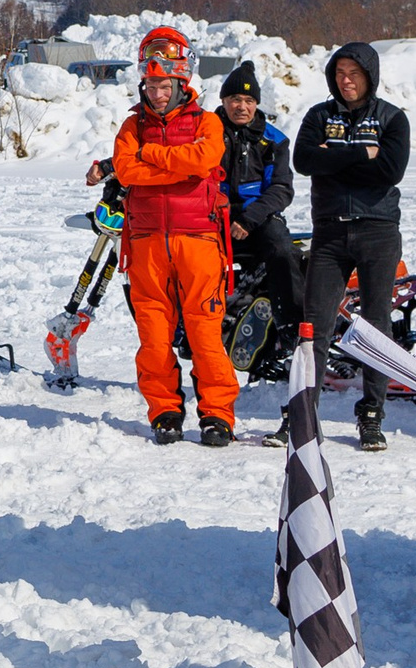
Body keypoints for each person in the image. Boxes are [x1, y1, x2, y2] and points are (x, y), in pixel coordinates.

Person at [99, 26, 234, 447]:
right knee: (153, 336)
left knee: (205, 334)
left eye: (166, 85)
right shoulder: (131, 126)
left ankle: (217, 415)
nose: (158, 93)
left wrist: (152, 156)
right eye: (152, 84)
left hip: (199, 241)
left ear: (182, 82)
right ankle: (165, 411)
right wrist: (173, 164)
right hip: (146, 242)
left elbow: (204, 159)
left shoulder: (207, 122)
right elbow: (125, 170)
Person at [297, 41, 408, 452]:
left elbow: (391, 170)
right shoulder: (318, 116)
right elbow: (305, 161)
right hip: (329, 233)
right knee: (314, 326)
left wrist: (336, 156)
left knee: (376, 325)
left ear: (369, 76)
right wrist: (363, 154)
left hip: (378, 230)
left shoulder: (393, 119)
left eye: (354, 73)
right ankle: (305, 413)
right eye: (341, 73)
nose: (346, 80)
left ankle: (372, 414)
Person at [216, 60, 301, 347]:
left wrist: (249, 219)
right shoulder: (206, 133)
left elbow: (281, 189)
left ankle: (292, 327)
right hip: (213, 214)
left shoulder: (274, 140)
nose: (242, 106)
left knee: (282, 249)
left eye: (249, 100)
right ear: (224, 101)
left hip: (259, 216)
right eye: (235, 99)